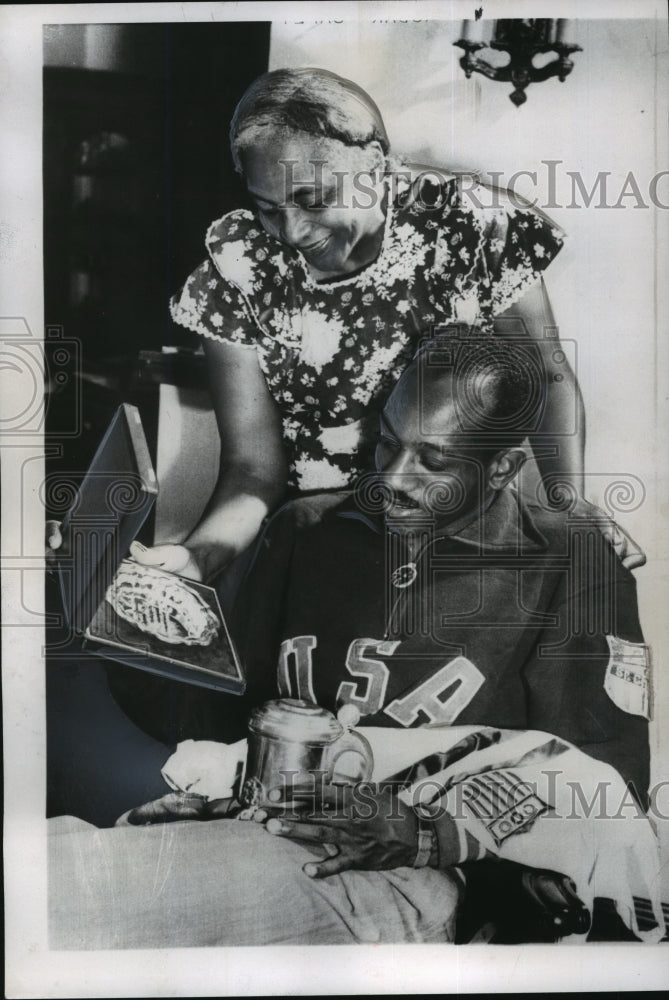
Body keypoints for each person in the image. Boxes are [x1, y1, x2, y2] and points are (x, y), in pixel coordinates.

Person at [47, 338, 662, 949]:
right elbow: (220, 717)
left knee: (64, 900)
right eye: (388, 444)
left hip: (418, 879)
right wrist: (111, 613)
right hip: (262, 833)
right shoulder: (306, 529)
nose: (391, 478)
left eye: (433, 461)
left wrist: (432, 833)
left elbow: (604, 787)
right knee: (49, 857)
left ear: (502, 467)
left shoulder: (570, 560)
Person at [129, 66, 585, 586]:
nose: (292, 232)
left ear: (373, 165)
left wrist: (572, 523)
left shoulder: (467, 226)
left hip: (463, 534)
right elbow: (253, 471)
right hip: (321, 540)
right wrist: (199, 557)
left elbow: (547, 380)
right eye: (266, 208)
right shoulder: (239, 271)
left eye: (312, 200)